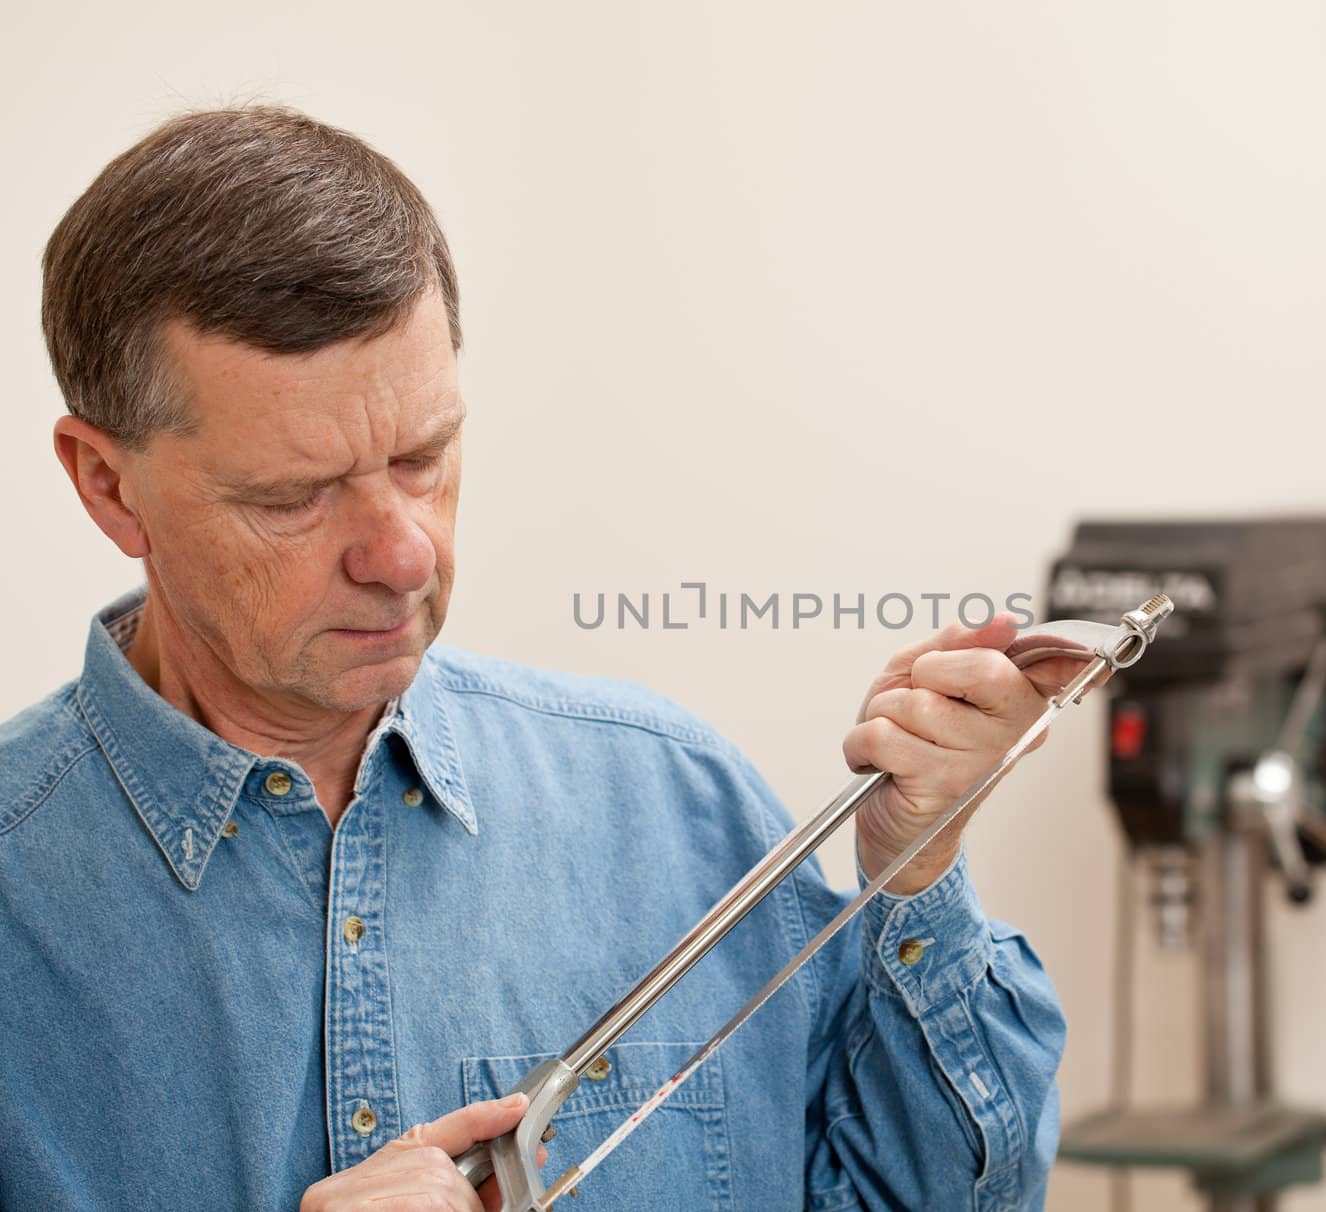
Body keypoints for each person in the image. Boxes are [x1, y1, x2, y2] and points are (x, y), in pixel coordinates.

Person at [0, 106, 1073, 1211]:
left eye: (423, 456)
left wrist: (917, 874)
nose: (403, 552)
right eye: (292, 496)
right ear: (106, 484)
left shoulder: (675, 801)